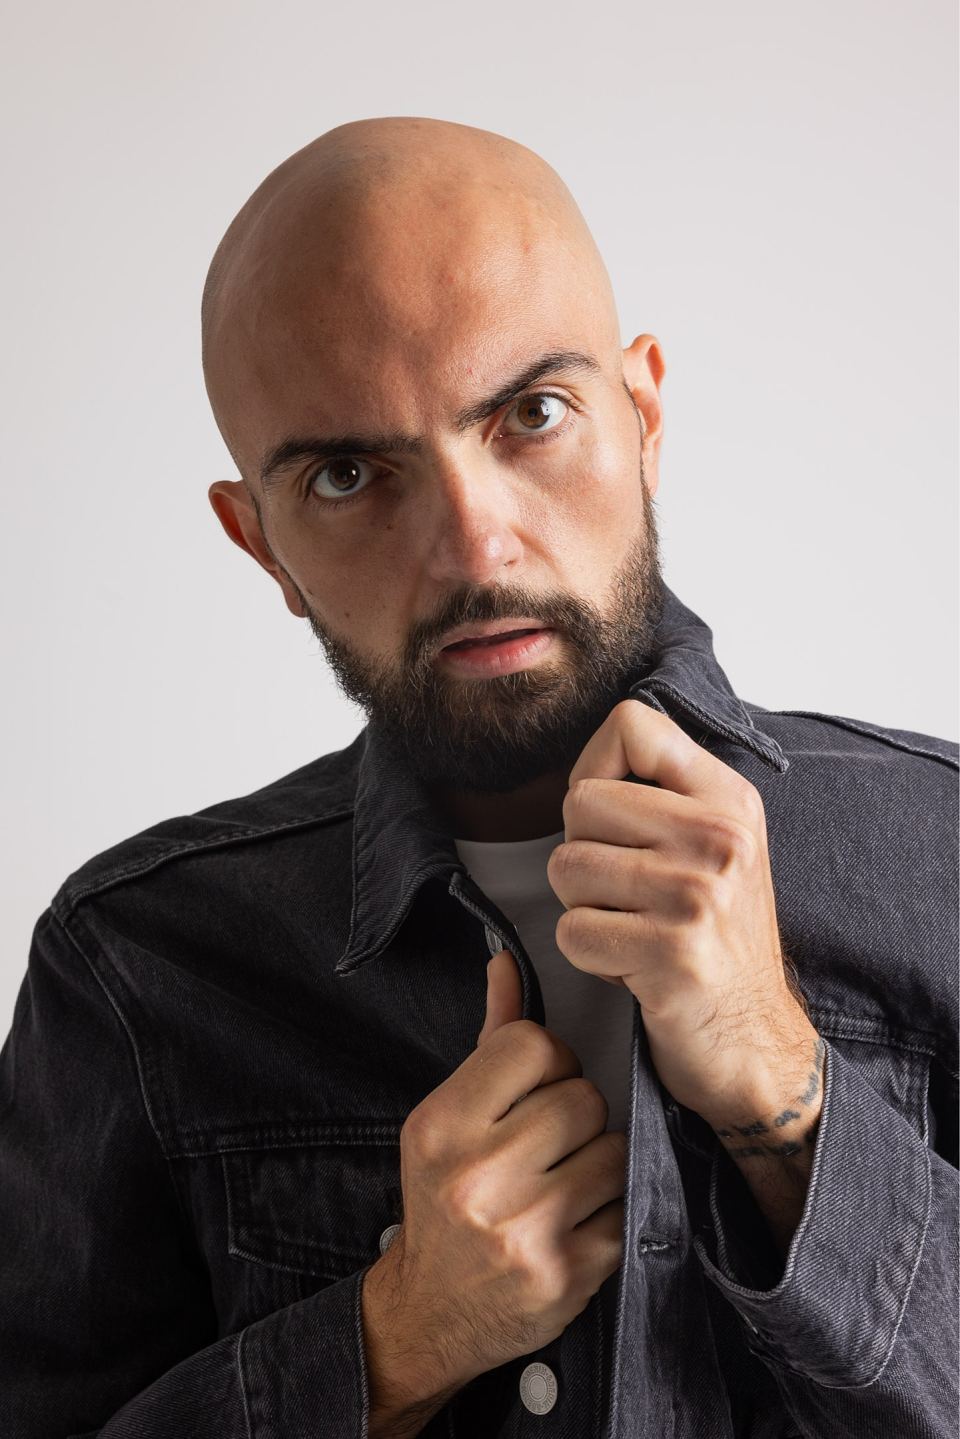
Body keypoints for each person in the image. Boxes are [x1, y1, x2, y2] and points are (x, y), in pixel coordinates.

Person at [0, 115, 956, 1439]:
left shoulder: (946, 856)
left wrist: (785, 1090)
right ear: (259, 542)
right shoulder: (135, 970)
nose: (471, 539)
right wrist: (390, 1341)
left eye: (532, 414)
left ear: (644, 414)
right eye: (348, 473)